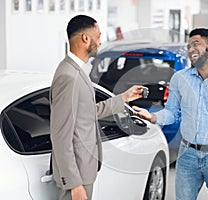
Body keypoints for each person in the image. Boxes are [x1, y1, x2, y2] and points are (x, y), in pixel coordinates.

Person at [133, 28, 208, 200]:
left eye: (196, 44)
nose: (190, 50)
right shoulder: (179, 79)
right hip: (187, 155)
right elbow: (172, 112)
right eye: (189, 46)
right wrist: (153, 117)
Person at [50, 15, 145, 200]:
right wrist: (74, 184)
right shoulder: (68, 76)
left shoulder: (77, 70)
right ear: (85, 38)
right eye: (98, 36)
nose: (100, 41)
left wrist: (124, 98)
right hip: (76, 176)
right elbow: (60, 135)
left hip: (84, 171)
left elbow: (88, 112)